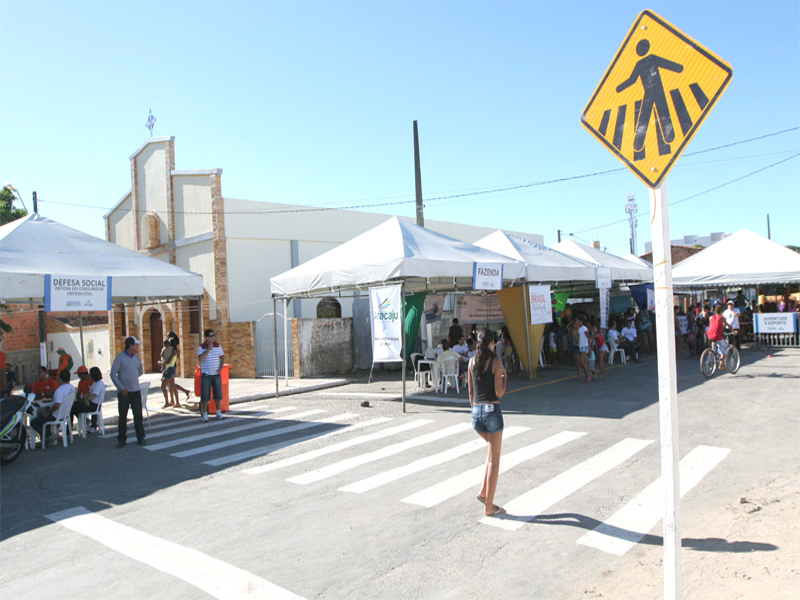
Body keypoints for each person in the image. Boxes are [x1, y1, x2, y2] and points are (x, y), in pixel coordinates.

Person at [467, 328, 507, 517]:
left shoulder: (471, 362)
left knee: (490, 455)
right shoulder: (496, 362)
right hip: (492, 411)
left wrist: (476, 410)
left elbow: (470, 393)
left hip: (476, 413)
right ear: (491, 344)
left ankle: (484, 492)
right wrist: (504, 377)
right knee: (495, 461)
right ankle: (489, 506)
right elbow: (499, 393)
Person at [110, 336, 145, 448]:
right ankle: (121, 439)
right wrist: (121, 387)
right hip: (124, 392)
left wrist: (132, 378)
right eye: (135, 345)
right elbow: (113, 374)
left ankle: (140, 437)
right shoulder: (120, 357)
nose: (137, 347)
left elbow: (140, 371)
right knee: (123, 415)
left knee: (138, 415)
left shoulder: (136, 358)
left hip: (135, 390)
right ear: (130, 345)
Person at [30, 369, 75, 445]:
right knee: (43, 415)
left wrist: (48, 412)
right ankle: (46, 438)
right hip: (65, 414)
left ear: (60, 379)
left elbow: (57, 405)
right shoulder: (72, 388)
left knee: (34, 422)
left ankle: (49, 436)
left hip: (55, 415)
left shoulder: (59, 390)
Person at [198, 329, 225, 422]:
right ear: (206, 337)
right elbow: (201, 359)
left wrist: (220, 368)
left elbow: (222, 357)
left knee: (218, 394)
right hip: (206, 375)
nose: (212, 337)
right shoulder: (202, 347)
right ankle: (205, 414)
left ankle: (218, 412)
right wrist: (208, 349)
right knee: (205, 395)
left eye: (213, 335)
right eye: (210, 336)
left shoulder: (218, 346)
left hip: (216, 374)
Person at [72, 366, 106, 433]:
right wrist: (85, 397)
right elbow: (88, 394)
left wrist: (85, 396)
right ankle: (85, 421)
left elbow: (90, 396)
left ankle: (93, 425)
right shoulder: (94, 383)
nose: (90, 375)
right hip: (89, 402)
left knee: (73, 406)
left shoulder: (98, 384)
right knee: (72, 406)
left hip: (94, 405)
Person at [167, 333, 192, 403]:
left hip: (171, 367)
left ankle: (178, 400)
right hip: (171, 366)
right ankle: (173, 400)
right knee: (170, 384)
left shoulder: (172, 350)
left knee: (171, 384)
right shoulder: (174, 349)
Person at [159, 339, 179, 408]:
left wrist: (161, 363)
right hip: (172, 368)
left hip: (169, 369)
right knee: (172, 386)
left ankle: (167, 402)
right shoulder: (174, 351)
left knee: (163, 386)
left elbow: (168, 362)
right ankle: (177, 402)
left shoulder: (173, 352)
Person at [575, 315, 592, 383]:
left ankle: (588, 375)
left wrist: (589, 348)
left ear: (581, 321)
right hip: (582, 346)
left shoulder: (584, 328)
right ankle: (587, 375)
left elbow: (588, 337)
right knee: (584, 362)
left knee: (581, 361)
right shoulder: (580, 328)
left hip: (585, 346)